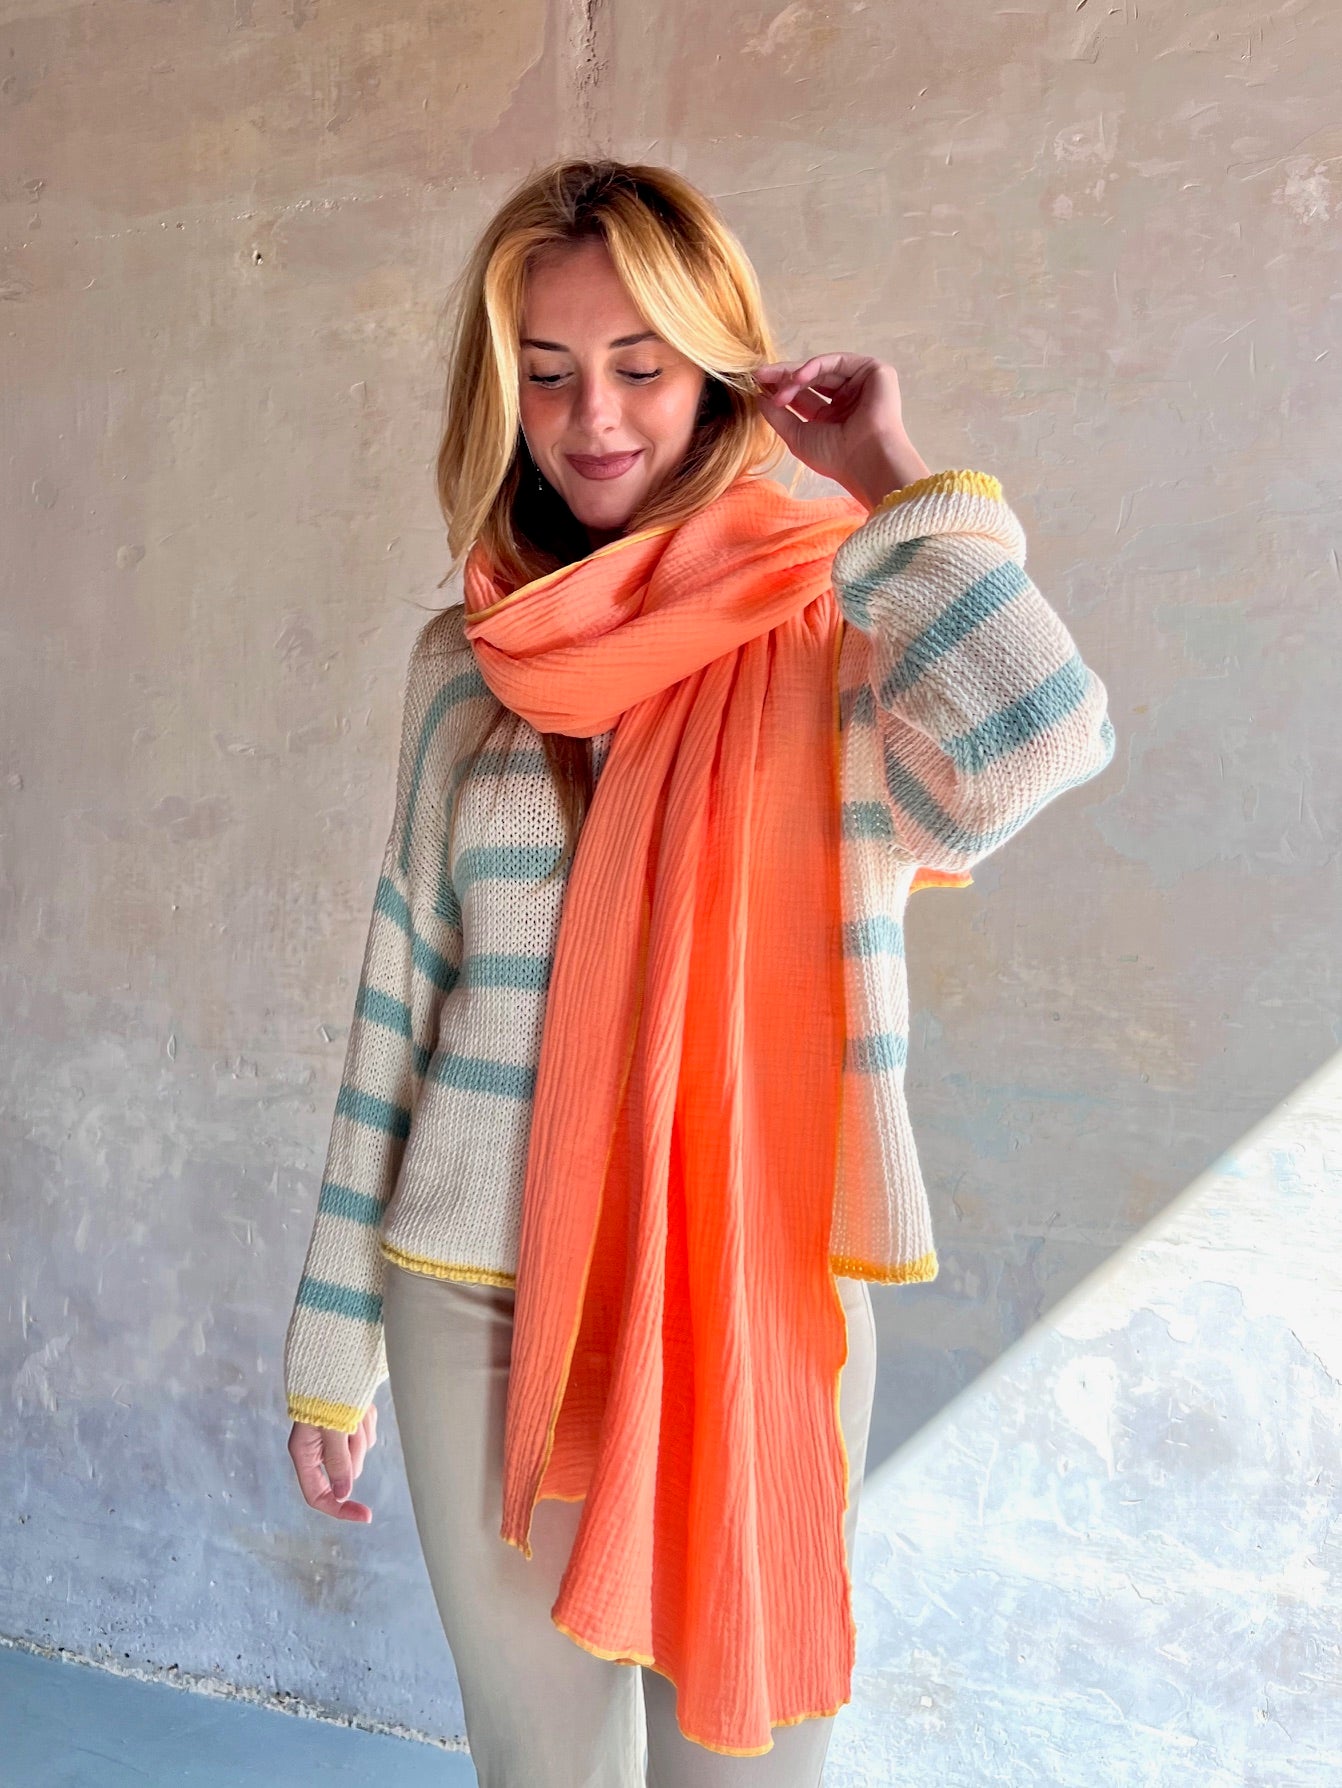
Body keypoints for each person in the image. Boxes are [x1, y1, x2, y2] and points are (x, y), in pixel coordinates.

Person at [282, 158, 1116, 1786]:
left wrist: (884, 476)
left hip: (748, 1295)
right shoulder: (467, 665)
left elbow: (1039, 737)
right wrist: (329, 1342)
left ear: (717, 369)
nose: (590, 417)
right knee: (541, 1770)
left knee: (747, 1764)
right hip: (474, 1299)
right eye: (546, 372)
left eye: (640, 365)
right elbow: (404, 989)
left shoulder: (840, 632)